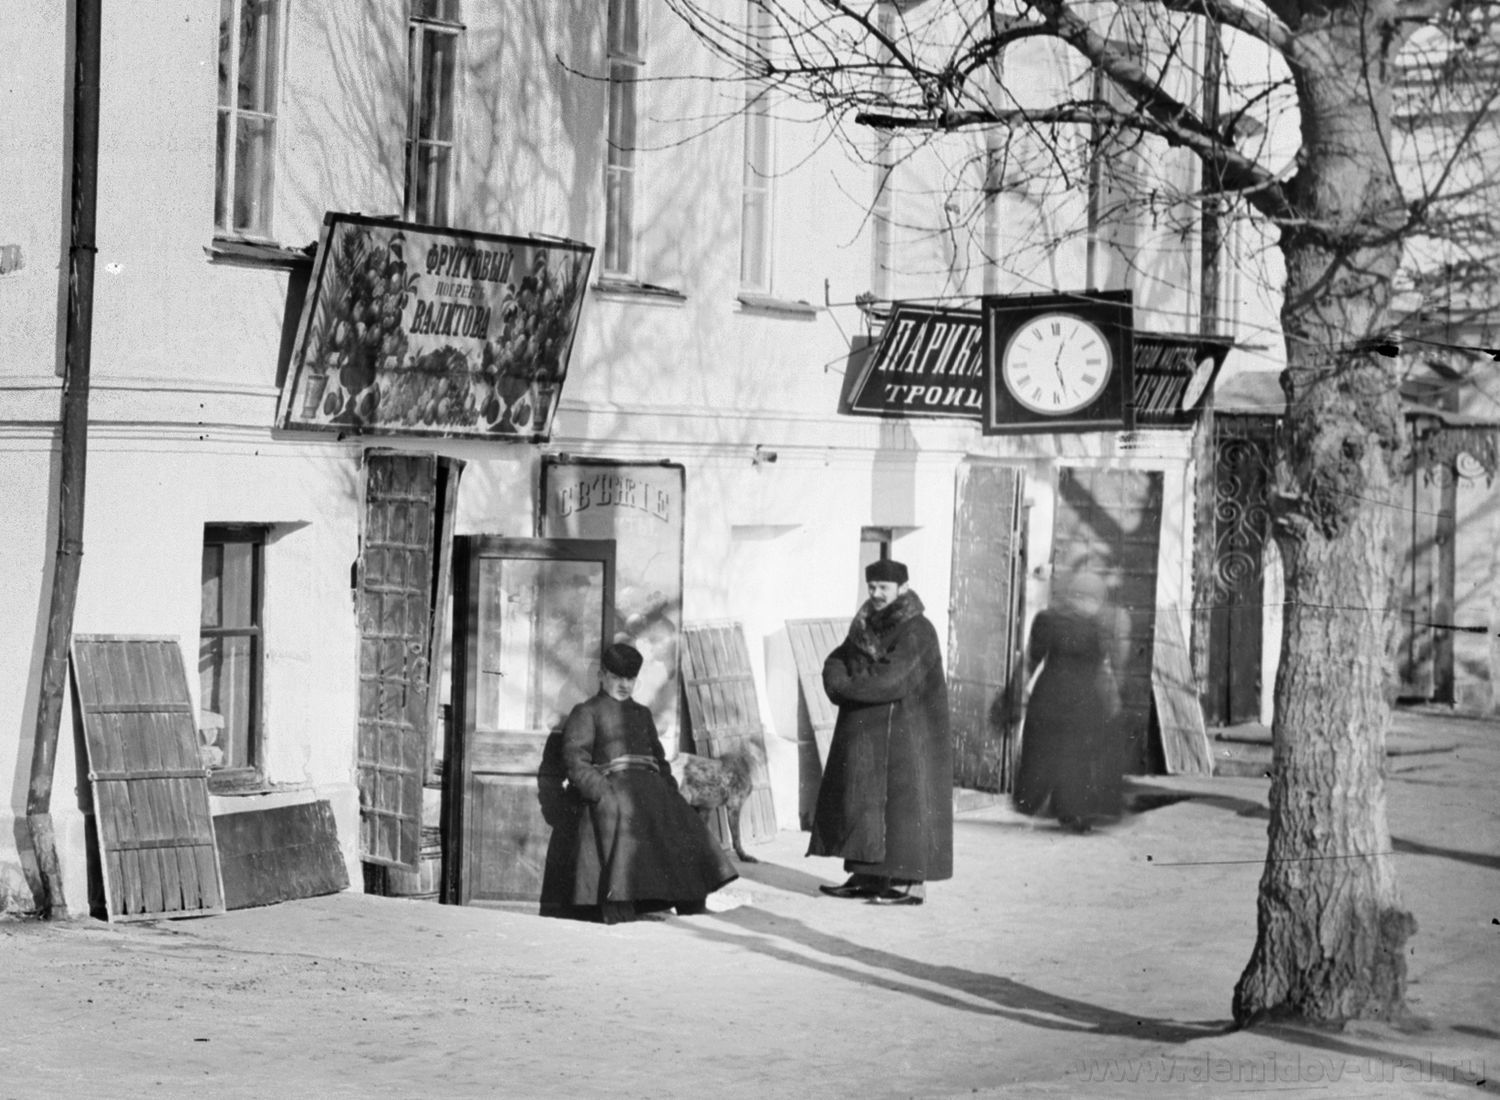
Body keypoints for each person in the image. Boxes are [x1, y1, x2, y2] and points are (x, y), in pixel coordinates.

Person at [809, 559, 953, 906]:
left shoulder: (918, 629)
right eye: (871, 586)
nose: (875, 593)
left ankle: (908, 884)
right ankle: (866, 877)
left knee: (904, 811)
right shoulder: (866, 624)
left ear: (903, 588)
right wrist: (838, 680)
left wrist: (846, 687)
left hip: (909, 734)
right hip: (872, 732)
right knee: (865, 806)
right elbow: (836, 660)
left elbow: (891, 679)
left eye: (883, 587)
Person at [563, 642, 737, 923]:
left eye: (630, 679)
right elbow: (576, 761)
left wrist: (671, 791)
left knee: (685, 821)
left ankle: (692, 905)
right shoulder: (587, 711)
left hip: (652, 789)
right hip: (613, 790)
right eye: (616, 677)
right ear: (601, 676)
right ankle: (621, 909)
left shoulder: (642, 714)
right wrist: (602, 792)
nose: (624, 685)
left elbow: (659, 759)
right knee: (625, 817)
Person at [1012, 568, 1130, 832]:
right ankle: (1071, 811)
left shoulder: (1050, 619)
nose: (1088, 605)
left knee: (1054, 754)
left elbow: (1031, 660)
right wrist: (1113, 700)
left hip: (1054, 697)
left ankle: (1060, 808)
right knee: (1076, 757)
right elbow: (1111, 667)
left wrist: (1018, 691)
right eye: (1087, 598)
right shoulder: (1099, 626)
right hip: (1079, 699)